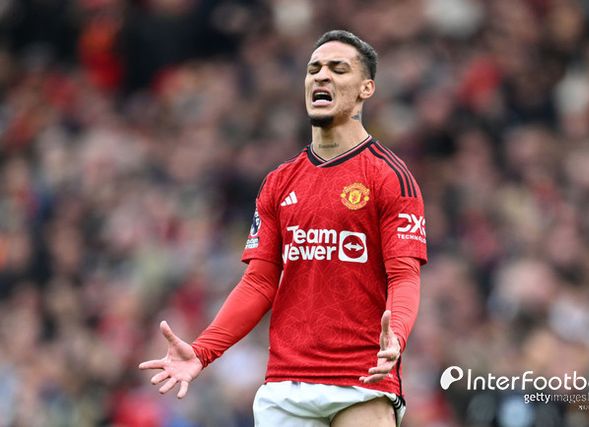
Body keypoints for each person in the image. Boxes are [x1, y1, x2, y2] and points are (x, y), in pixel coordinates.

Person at [139, 30, 427, 427]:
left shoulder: (389, 176)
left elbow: (404, 275)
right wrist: (203, 351)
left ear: (366, 88)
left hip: (361, 379)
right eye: (314, 69)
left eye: (338, 68)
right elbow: (259, 283)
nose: (321, 76)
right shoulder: (279, 182)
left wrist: (396, 336)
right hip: (286, 387)